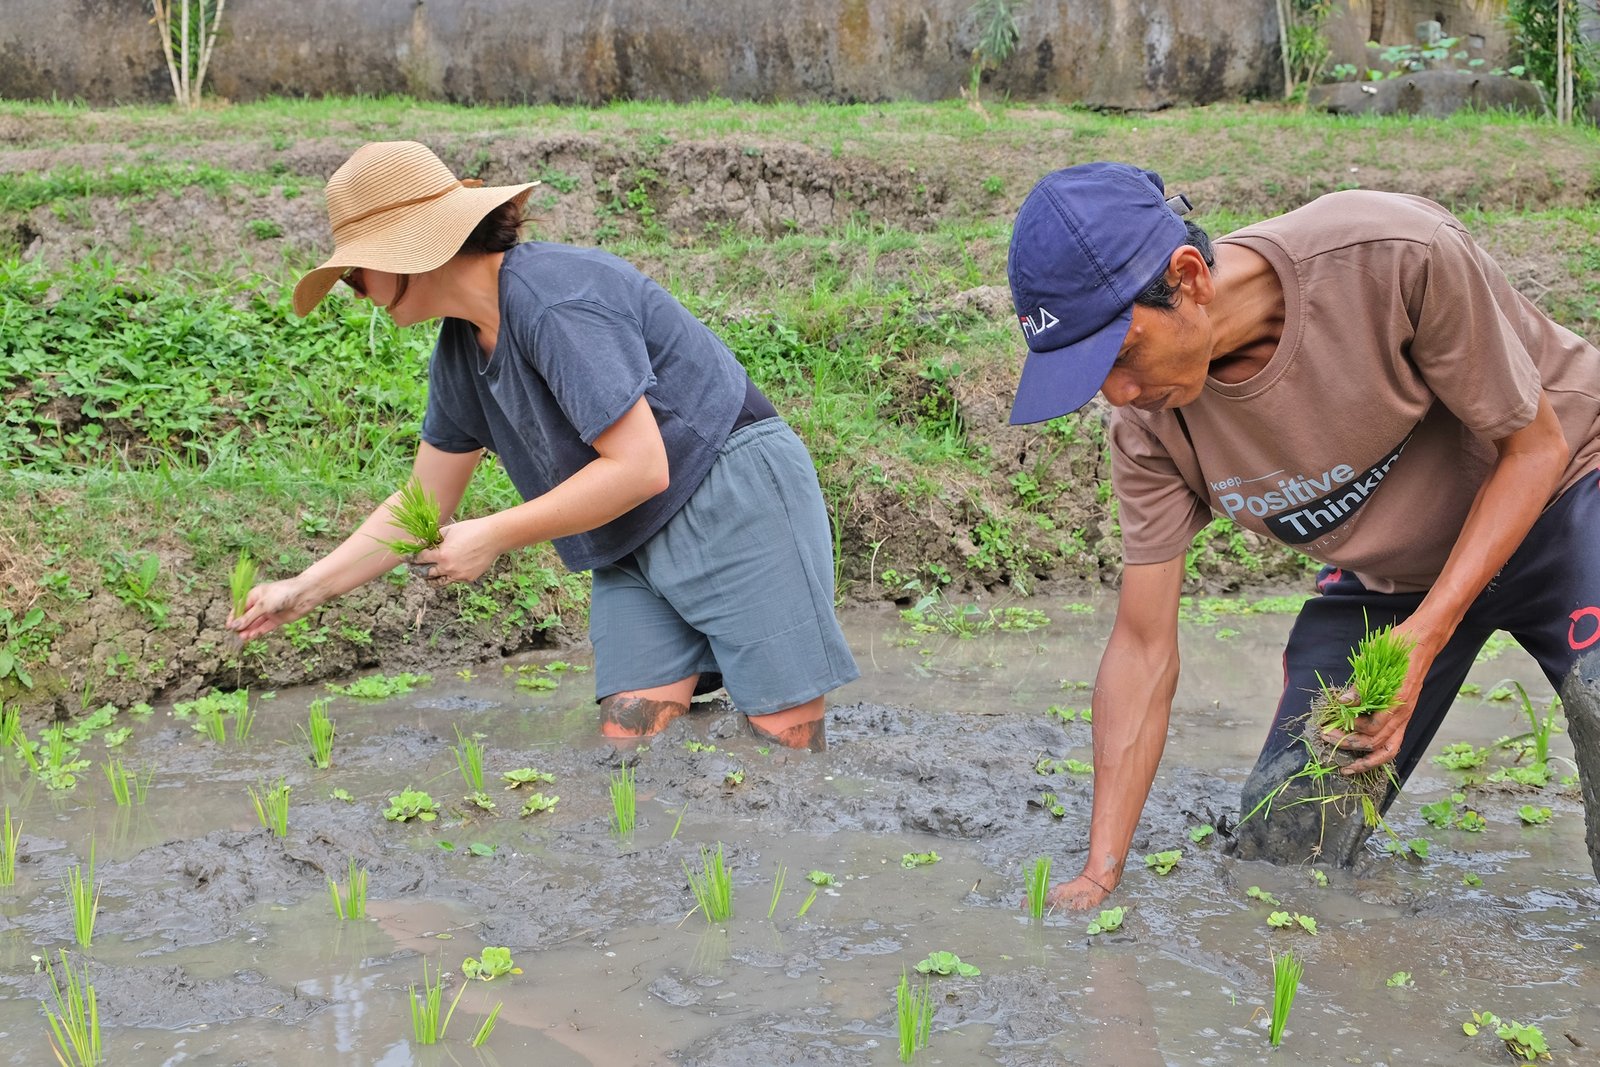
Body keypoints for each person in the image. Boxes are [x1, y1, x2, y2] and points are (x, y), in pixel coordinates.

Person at [1004, 161, 1600, 908]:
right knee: (1286, 843)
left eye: (1121, 356)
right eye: (1095, 376)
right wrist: (1100, 872)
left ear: (1188, 276)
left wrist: (1428, 638)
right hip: (1394, 577)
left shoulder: (1392, 255)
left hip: (1569, 490)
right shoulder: (1151, 428)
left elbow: (1536, 448)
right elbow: (1142, 643)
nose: (1119, 394)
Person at [229, 141, 858, 751]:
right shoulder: (458, 351)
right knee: (630, 749)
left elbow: (641, 466)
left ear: (405, 253)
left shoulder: (554, 299)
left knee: (783, 754)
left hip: (730, 496)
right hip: (627, 535)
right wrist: (304, 589)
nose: (352, 288)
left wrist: (494, 535)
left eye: (353, 271)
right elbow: (422, 502)